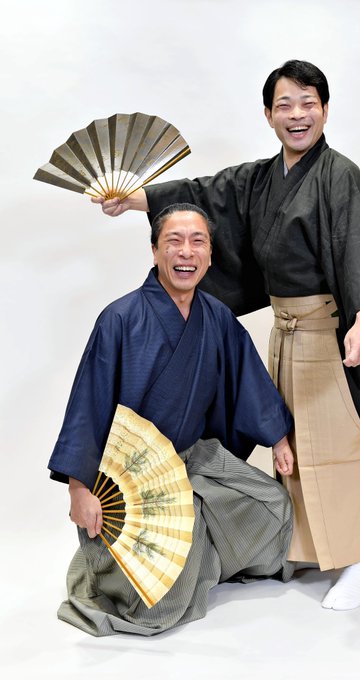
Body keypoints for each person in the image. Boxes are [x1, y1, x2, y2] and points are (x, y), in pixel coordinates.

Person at [94, 59, 360, 611]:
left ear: (325, 110)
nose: (297, 115)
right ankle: (311, 546)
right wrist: (136, 200)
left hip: (328, 330)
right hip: (287, 333)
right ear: (268, 115)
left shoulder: (340, 175)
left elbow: (357, 244)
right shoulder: (261, 179)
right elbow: (207, 195)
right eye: (284, 105)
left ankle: (358, 558)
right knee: (294, 445)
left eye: (308, 103)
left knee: (338, 442)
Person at [48, 203, 296, 637]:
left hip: (193, 457)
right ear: (154, 251)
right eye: (173, 241)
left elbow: (246, 378)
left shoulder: (216, 316)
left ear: (210, 255)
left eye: (198, 242)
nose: (186, 252)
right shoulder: (119, 319)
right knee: (160, 606)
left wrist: (278, 438)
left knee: (272, 506)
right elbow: (88, 404)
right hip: (131, 478)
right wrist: (78, 488)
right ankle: (179, 559)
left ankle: (204, 554)